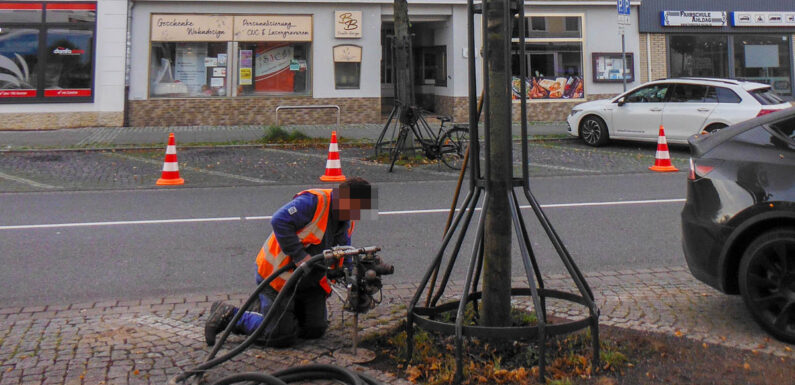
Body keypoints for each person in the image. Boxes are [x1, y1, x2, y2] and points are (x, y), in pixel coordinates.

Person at [204, 177, 372, 348]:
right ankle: (230, 314)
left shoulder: (348, 217)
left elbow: (344, 248)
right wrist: (299, 256)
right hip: (278, 277)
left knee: (314, 330)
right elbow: (279, 220)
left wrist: (349, 276)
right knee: (279, 335)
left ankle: (279, 313)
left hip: (309, 281)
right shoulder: (313, 202)